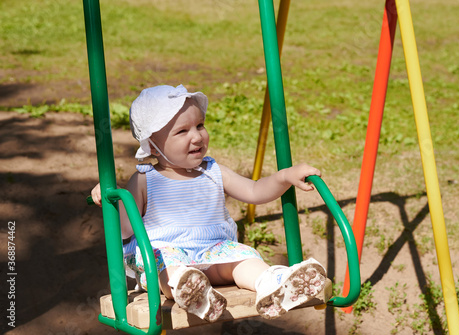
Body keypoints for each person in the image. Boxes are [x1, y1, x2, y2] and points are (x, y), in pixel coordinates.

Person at [91, 84, 327, 322]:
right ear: (152, 145)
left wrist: (284, 176)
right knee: (167, 266)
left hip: (215, 251)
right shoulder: (144, 180)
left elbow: (254, 191)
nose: (197, 136)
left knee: (243, 259)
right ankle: (192, 293)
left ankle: (274, 284)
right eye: (182, 131)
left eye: (200, 125)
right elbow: (124, 228)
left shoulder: (213, 171)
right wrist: (111, 199)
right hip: (168, 254)